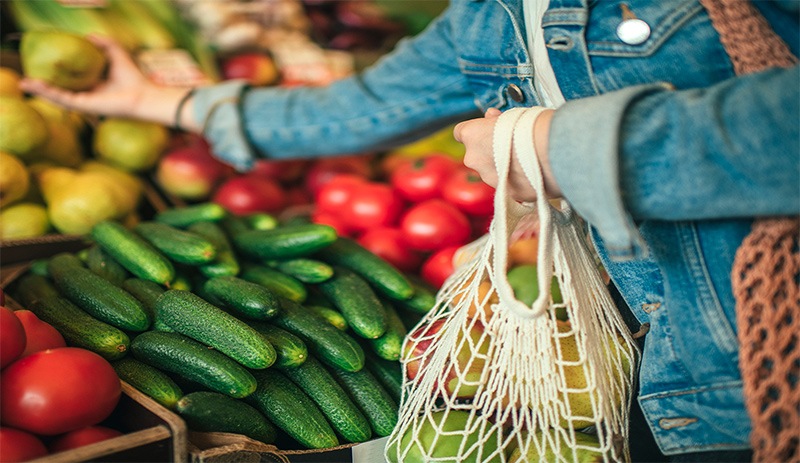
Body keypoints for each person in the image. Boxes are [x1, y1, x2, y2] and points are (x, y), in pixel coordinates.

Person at [21, 0, 799, 461]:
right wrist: (161, 103)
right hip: (639, 376)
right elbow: (360, 108)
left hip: (762, 365)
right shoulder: (488, 12)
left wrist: (561, 148)